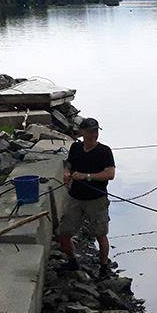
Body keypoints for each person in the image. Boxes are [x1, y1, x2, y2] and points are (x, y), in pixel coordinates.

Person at [58, 118, 116, 277]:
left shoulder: (104, 151)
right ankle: (72, 261)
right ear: (82, 132)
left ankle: (104, 268)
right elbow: (69, 165)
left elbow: (110, 174)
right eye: (90, 131)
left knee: (100, 234)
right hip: (75, 198)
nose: (93, 135)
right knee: (64, 233)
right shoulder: (75, 147)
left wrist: (86, 176)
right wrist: (67, 173)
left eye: (96, 131)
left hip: (96, 200)